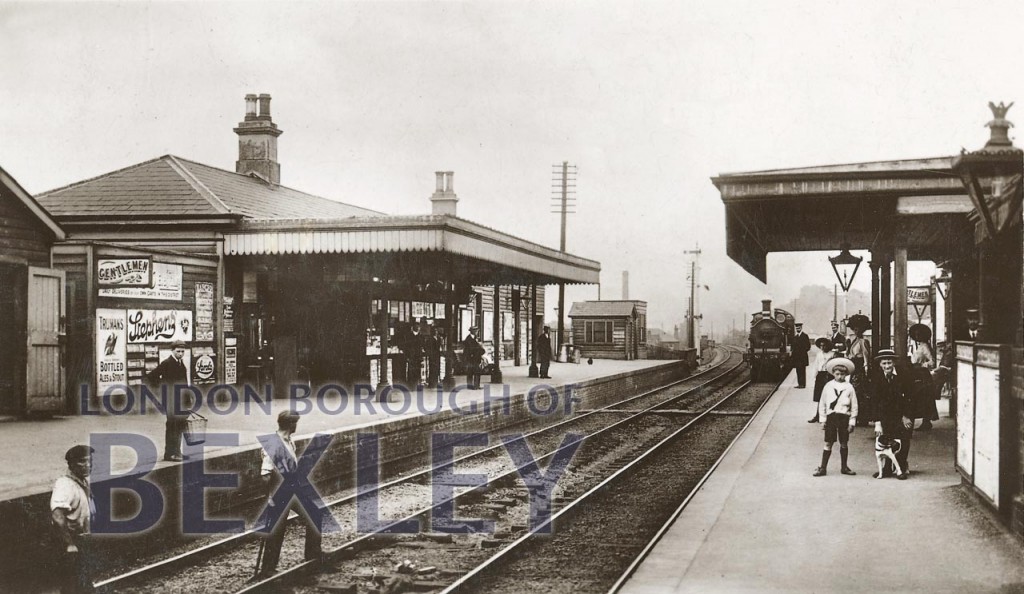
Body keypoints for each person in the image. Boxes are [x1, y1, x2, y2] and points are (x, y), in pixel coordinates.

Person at [254, 411, 323, 578]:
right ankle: (268, 568)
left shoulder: (289, 441)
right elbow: (265, 474)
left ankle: (313, 554)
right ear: (291, 424)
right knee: (277, 528)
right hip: (280, 490)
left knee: (315, 513)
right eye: (295, 423)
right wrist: (270, 496)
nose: (296, 426)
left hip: (293, 487)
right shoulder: (273, 444)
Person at [51, 444, 96, 594]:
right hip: (72, 541)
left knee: (82, 582)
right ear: (71, 464)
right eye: (82, 461)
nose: (88, 465)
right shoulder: (65, 485)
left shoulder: (81, 481)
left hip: (83, 540)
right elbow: (57, 516)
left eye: (90, 461)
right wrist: (69, 544)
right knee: (72, 584)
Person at [869, 349, 913, 479]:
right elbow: (874, 400)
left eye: (889, 362)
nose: (887, 366)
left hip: (902, 413)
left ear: (893, 362)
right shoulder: (876, 377)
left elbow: (910, 396)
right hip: (885, 414)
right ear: (880, 364)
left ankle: (901, 467)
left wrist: (906, 416)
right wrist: (877, 423)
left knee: (903, 439)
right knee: (887, 439)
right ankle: (887, 468)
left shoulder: (904, 375)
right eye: (884, 363)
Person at [813, 357, 859, 477]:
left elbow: (854, 405)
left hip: (844, 417)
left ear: (846, 374)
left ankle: (844, 467)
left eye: (842, 374)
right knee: (828, 442)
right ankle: (823, 467)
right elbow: (822, 403)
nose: (840, 376)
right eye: (837, 374)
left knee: (844, 442)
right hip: (831, 417)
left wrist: (852, 421)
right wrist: (822, 420)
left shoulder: (849, 387)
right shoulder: (828, 386)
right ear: (833, 374)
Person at [146, 340, 191, 462]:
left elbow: (184, 383)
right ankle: (170, 454)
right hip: (171, 401)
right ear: (172, 350)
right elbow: (151, 377)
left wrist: (188, 400)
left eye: (182, 351)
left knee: (179, 426)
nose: (181, 354)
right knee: (172, 426)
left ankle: (177, 452)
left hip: (181, 401)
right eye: (178, 351)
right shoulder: (167, 363)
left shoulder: (181, 364)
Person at [908, 324, 938, 430]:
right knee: (922, 397)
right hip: (917, 373)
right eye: (915, 335)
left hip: (923, 374)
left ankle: (926, 422)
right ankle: (926, 422)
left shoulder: (924, 346)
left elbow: (932, 362)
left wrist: (922, 365)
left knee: (923, 397)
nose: (917, 337)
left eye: (919, 335)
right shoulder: (919, 346)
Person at [845, 314, 872, 424]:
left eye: (858, 329)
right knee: (854, 392)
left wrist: (866, 368)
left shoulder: (863, 341)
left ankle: (863, 417)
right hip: (854, 367)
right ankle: (856, 415)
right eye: (854, 329)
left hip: (860, 368)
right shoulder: (853, 340)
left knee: (860, 392)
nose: (856, 331)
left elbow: (866, 356)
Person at [808, 337, 834, 423]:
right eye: (821, 346)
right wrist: (815, 376)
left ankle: (828, 416)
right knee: (819, 396)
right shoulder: (819, 354)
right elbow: (816, 365)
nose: (822, 347)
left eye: (824, 345)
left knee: (828, 396)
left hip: (828, 376)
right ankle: (818, 415)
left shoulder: (832, 354)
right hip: (820, 375)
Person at [790, 322, 811, 388]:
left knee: (802, 371)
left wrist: (803, 351)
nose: (797, 329)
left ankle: (803, 384)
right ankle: (799, 384)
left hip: (802, 357)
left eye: (798, 328)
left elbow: (808, 346)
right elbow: (792, 347)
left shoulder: (805, 336)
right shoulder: (795, 337)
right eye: (796, 328)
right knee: (798, 371)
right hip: (796, 357)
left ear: (801, 328)